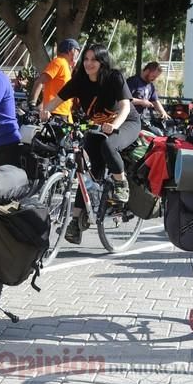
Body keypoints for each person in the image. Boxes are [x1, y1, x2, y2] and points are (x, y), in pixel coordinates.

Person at [40, 44, 140, 244]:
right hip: (98, 127)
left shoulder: (114, 77)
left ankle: (121, 184)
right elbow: (58, 98)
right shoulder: (80, 80)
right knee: (86, 174)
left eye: (93, 59)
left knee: (108, 146)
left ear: (102, 62)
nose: (88, 63)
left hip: (125, 123)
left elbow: (125, 107)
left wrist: (114, 125)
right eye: (86, 59)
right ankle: (77, 220)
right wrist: (44, 112)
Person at [29, 38, 81, 120]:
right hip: (55, 113)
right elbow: (40, 81)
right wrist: (32, 103)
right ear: (72, 50)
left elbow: (53, 90)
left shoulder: (66, 66)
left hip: (63, 113)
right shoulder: (59, 62)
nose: (78, 56)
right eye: (78, 51)